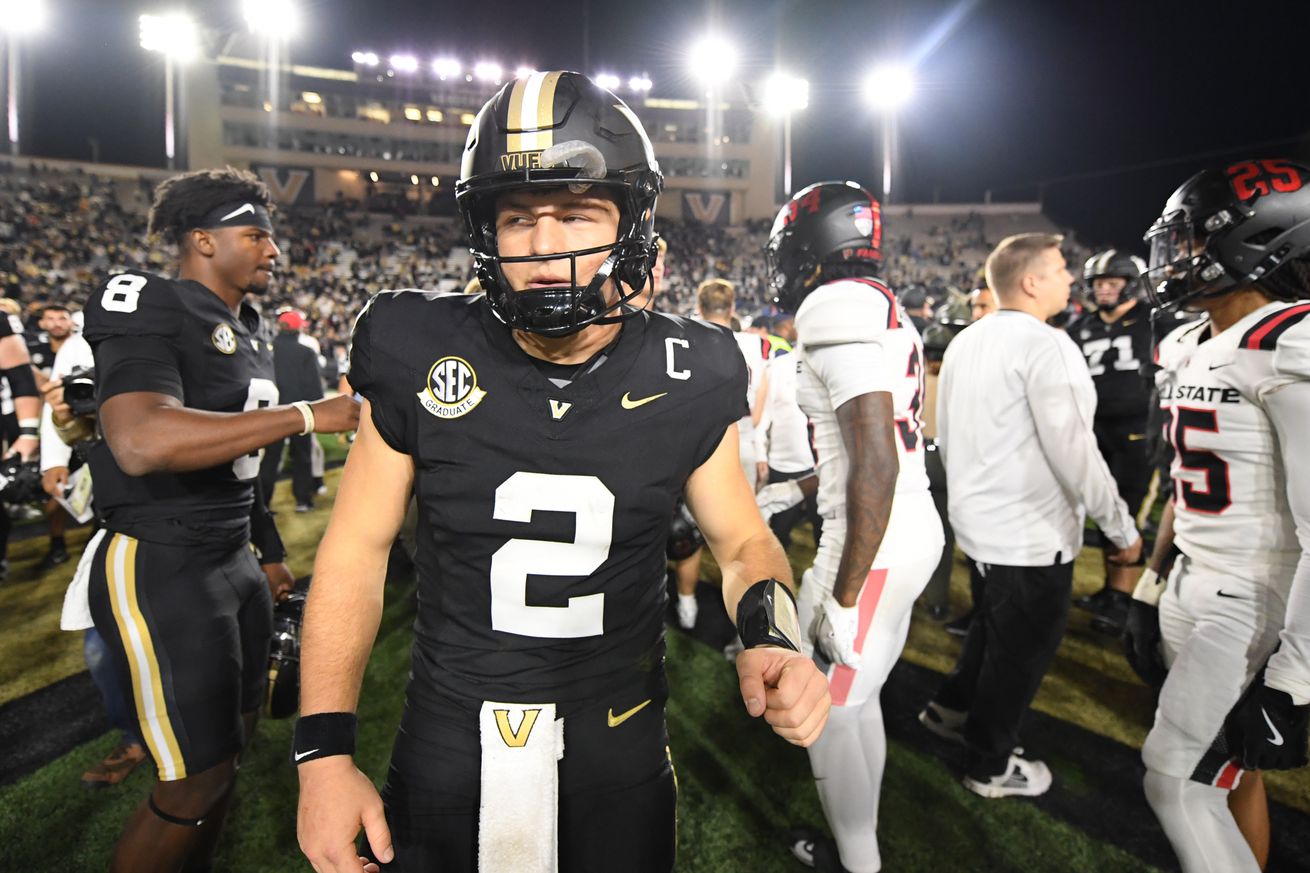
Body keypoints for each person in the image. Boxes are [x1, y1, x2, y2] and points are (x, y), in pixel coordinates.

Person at [293, 72, 830, 873]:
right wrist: (322, 752)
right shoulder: (415, 343)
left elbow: (745, 541)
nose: (544, 245)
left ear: (631, 224)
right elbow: (355, 553)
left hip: (617, 735)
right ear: (485, 230)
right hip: (451, 731)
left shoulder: (691, 365)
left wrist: (771, 635)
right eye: (517, 217)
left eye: (577, 212)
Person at [79, 167, 360, 873]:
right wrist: (307, 414)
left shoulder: (250, 326)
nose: (272, 249)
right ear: (201, 239)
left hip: (231, 555)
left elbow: (240, 459)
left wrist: (263, 545)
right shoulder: (150, 300)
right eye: (255, 234)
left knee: (229, 754)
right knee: (190, 777)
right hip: (161, 558)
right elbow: (142, 440)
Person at [1125, 159, 1310, 873]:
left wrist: (1295, 675)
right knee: (1231, 769)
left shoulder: (1286, 338)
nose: (1178, 258)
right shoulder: (1192, 341)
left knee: (1173, 778)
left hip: (1255, 593)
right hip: (1192, 578)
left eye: (1193, 240)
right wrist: (1150, 582)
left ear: (1256, 240)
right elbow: (1181, 482)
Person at [920, 232, 1142, 798]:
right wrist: (1119, 527)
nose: (1072, 278)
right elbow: (1076, 452)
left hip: (983, 526)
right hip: (1030, 533)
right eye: (1061, 268)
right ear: (1030, 280)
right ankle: (989, 764)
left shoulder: (966, 341)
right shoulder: (1047, 345)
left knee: (994, 633)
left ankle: (949, 709)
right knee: (1019, 655)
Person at [767, 181, 944, 873]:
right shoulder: (880, 304)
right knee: (857, 699)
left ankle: (859, 860)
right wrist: (796, 488)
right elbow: (872, 448)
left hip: (871, 545)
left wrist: (841, 597)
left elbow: (874, 457)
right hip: (908, 531)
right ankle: (858, 846)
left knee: (822, 707)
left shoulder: (833, 304)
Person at [1067, 251, 1154, 633]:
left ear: (1130, 285)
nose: (1103, 290)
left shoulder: (1154, 322)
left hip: (1138, 430)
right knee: (1103, 512)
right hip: (1093, 429)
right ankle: (1109, 590)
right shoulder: (1080, 327)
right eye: (1098, 283)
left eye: (1111, 283)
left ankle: (1124, 598)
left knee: (1128, 511)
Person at [260, 309, 326, 512]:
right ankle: (302, 500)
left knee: (271, 458)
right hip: (300, 412)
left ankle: (263, 504)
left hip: (272, 412)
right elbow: (314, 388)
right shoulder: (305, 352)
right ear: (298, 329)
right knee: (302, 456)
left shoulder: (267, 351)